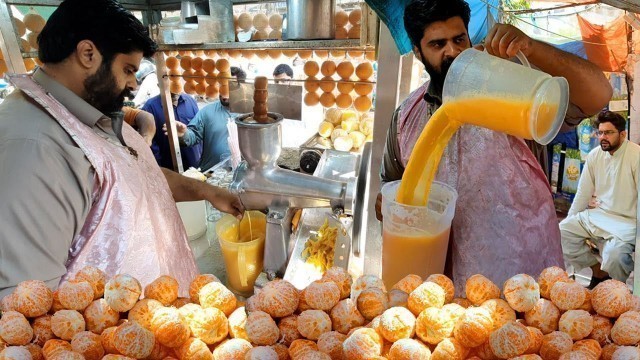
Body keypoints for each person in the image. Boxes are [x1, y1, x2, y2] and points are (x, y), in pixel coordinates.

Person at [0, 0, 244, 297]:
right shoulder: (34, 150)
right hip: (125, 336)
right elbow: (28, 304)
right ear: (88, 54)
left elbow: (138, 177)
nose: (133, 84)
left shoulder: (88, 109)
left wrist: (207, 191)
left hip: (165, 315)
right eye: (128, 70)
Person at [376, 0, 612, 293]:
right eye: (438, 44)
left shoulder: (511, 94)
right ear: (417, 50)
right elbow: (392, 184)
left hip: (520, 283)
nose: (452, 51)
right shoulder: (405, 117)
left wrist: (531, 48)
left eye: (459, 39)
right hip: (439, 293)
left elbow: (598, 94)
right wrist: (385, 204)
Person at [560, 111, 640, 287]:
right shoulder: (595, 155)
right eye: (600, 132)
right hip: (600, 215)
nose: (603, 137)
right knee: (562, 231)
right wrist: (571, 218)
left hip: (628, 222)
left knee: (615, 257)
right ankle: (598, 273)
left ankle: (614, 290)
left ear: (622, 134)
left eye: (608, 133)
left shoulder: (636, 156)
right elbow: (583, 192)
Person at [172, 67, 247, 171]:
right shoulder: (207, 112)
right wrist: (183, 134)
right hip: (212, 174)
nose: (224, 92)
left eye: (230, 87)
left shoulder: (250, 113)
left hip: (244, 173)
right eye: (222, 86)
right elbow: (193, 136)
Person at [143, 91, 203, 169]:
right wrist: (159, 167)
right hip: (169, 165)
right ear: (159, 84)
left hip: (194, 163)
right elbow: (151, 143)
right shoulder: (150, 106)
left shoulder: (190, 101)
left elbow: (199, 130)